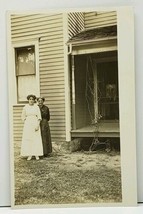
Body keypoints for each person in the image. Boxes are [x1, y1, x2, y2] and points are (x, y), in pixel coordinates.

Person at [21, 94, 43, 160]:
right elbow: (23, 117)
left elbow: (39, 117)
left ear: (34, 100)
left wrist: (37, 125)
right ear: (28, 100)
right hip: (28, 124)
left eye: (32, 99)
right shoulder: (25, 107)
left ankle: (36, 154)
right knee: (28, 139)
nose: (31, 100)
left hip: (35, 123)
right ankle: (29, 154)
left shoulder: (36, 107)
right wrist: (26, 123)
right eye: (30, 99)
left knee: (36, 139)